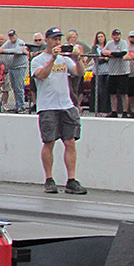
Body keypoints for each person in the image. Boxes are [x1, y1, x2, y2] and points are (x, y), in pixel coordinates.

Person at [32, 28, 86, 194]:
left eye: (59, 39)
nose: (57, 42)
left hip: (66, 105)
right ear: (47, 41)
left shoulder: (64, 59)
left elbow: (79, 73)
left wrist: (78, 60)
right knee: (49, 142)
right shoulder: (38, 60)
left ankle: (71, 179)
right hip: (48, 106)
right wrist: (53, 59)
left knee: (70, 142)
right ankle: (49, 178)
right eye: (54, 39)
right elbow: (41, 76)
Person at [0, 30, 30, 113]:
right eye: (10, 36)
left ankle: (21, 106)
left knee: (19, 87)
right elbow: (1, 48)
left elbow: (18, 51)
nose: (12, 37)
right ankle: (17, 105)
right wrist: (0, 50)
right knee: (14, 87)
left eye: (13, 35)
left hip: (20, 67)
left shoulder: (20, 42)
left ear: (16, 35)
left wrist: (4, 51)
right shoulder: (8, 43)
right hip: (11, 67)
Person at [102, 29, 131, 117]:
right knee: (112, 93)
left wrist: (110, 53)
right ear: (112, 36)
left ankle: (125, 111)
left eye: (118, 35)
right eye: (115, 35)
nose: (116, 37)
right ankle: (114, 111)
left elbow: (123, 53)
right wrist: (106, 53)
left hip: (123, 72)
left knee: (123, 93)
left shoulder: (124, 43)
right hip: (112, 72)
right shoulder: (109, 44)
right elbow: (103, 52)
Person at [64, 30, 87, 108]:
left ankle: (77, 105)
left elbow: (82, 57)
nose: (72, 39)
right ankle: (72, 104)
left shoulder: (78, 47)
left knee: (76, 88)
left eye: (74, 37)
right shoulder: (65, 46)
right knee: (69, 88)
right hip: (68, 71)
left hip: (76, 68)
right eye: (71, 37)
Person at [90, 31, 110, 115]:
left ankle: (107, 110)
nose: (100, 38)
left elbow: (111, 56)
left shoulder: (108, 46)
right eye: (99, 37)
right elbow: (97, 59)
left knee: (107, 91)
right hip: (98, 72)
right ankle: (99, 110)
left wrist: (106, 57)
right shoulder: (95, 47)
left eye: (102, 36)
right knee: (99, 91)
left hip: (108, 71)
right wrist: (105, 58)